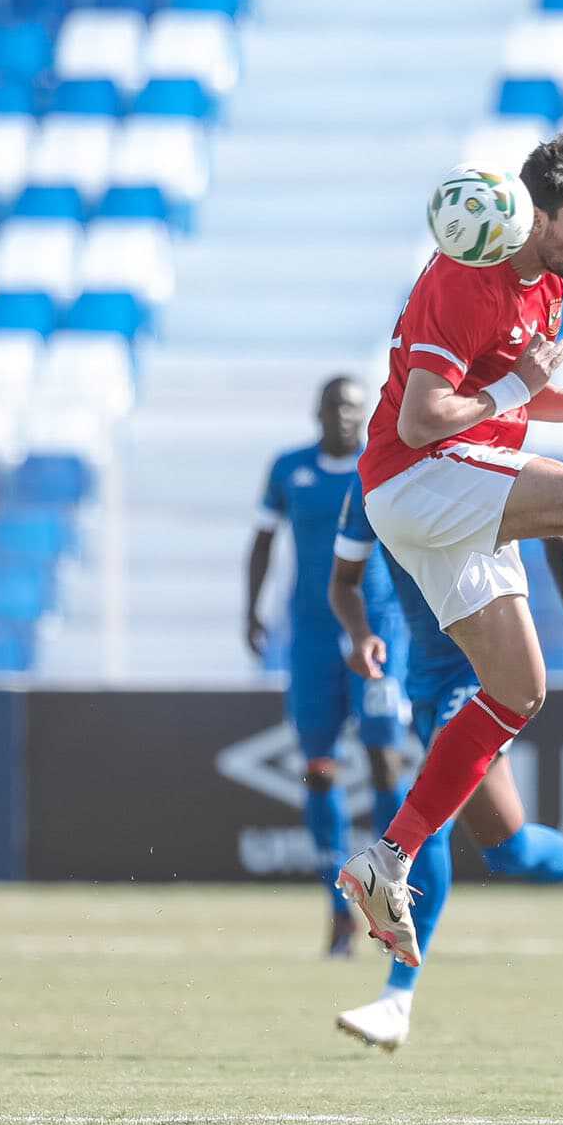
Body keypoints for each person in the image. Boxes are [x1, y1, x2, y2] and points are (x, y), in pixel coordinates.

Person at [335, 133, 563, 966]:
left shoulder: (543, 290)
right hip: (419, 475)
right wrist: (516, 389)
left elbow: (513, 401)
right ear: (535, 216)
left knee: (518, 690)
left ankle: (384, 860)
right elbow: (423, 417)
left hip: (450, 487)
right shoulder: (473, 275)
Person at [326, 479, 563, 1050]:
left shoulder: (482, 467)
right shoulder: (374, 483)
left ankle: (396, 1000)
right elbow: (344, 583)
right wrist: (359, 635)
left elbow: (562, 525)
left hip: (483, 672)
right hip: (425, 679)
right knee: (510, 849)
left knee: (425, 821)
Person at [246, 377, 411, 956]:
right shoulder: (289, 469)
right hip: (312, 636)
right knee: (319, 768)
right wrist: (252, 611)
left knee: (385, 759)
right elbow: (263, 540)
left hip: (380, 630)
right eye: (336, 405)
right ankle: (339, 906)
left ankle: (392, 896)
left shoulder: (385, 464)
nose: (346, 415)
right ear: (317, 412)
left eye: (355, 407)